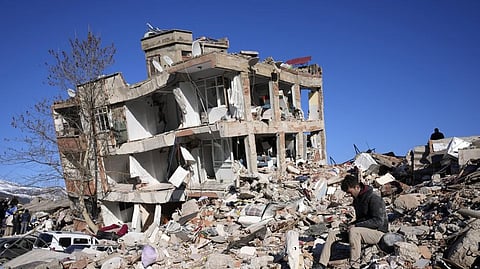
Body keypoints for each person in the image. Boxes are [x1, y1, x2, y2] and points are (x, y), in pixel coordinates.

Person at [316, 174, 388, 269]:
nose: (349, 195)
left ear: (357, 187)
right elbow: (362, 219)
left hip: (378, 232)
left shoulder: (374, 198)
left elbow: (378, 221)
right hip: (363, 230)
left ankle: (355, 265)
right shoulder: (357, 200)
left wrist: (356, 226)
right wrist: (350, 224)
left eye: (350, 192)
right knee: (333, 234)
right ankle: (322, 264)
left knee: (354, 231)